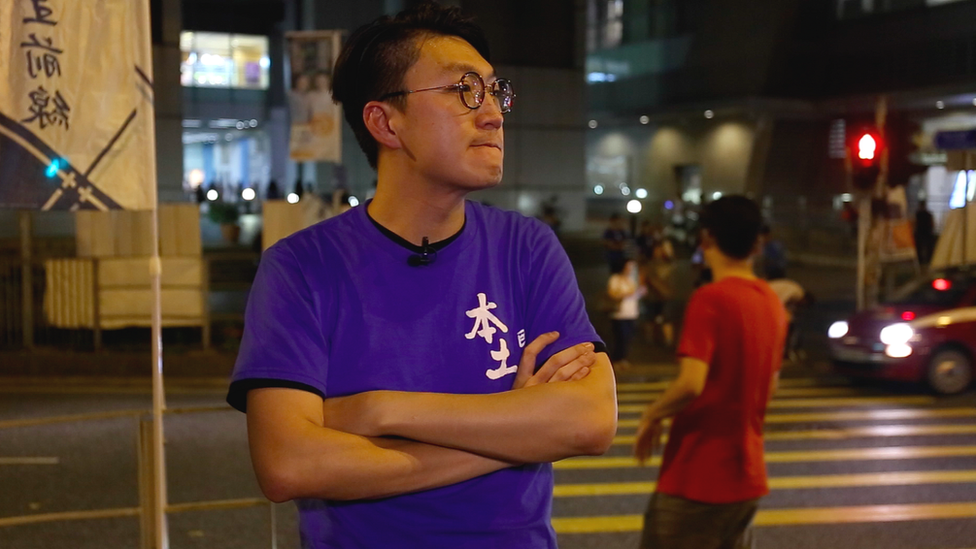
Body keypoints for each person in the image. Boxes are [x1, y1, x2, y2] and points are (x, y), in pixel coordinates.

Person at [226, 4, 617, 548]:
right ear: (386, 123)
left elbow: (591, 420)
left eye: (493, 91)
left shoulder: (526, 247)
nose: (493, 115)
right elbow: (290, 465)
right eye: (463, 91)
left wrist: (376, 409)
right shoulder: (300, 267)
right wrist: (518, 426)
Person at [633, 195, 788, 549]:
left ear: (707, 239)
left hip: (698, 478)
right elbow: (772, 386)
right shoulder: (771, 302)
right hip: (746, 480)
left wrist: (652, 414)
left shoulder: (711, 299)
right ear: (757, 243)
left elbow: (690, 384)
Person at [607, 257, 646, 369]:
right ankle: (617, 359)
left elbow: (635, 295)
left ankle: (622, 358)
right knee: (621, 337)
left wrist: (640, 292)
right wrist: (629, 293)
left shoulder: (631, 280)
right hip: (619, 314)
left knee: (628, 337)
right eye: (629, 266)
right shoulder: (615, 279)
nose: (630, 269)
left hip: (631, 313)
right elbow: (613, 294)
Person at [914, 199, 935, 266]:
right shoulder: (928, 214)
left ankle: (921, 260)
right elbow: (932, 223)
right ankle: (928, 259)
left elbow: (915, 223)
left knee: (920, 247)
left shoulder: (918, 214)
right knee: (928, 247)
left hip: (921, 231)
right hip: (927, 231)